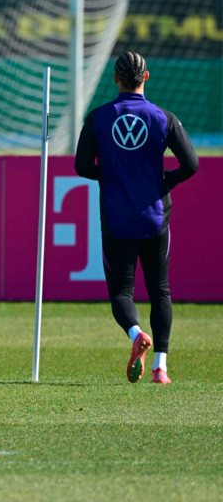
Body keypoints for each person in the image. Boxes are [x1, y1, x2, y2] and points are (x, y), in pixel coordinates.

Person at [74, 51, 198, 384]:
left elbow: (81, 166)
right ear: (146, 77)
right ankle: (161, 367)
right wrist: (163, 181)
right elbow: (191, 164)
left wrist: (114, 175)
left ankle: (135, 334)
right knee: (160, 291)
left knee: (121, 293)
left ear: (115, 79)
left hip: (117, 219)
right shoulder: (163, 118)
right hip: (155, 217)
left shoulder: (99, 118)